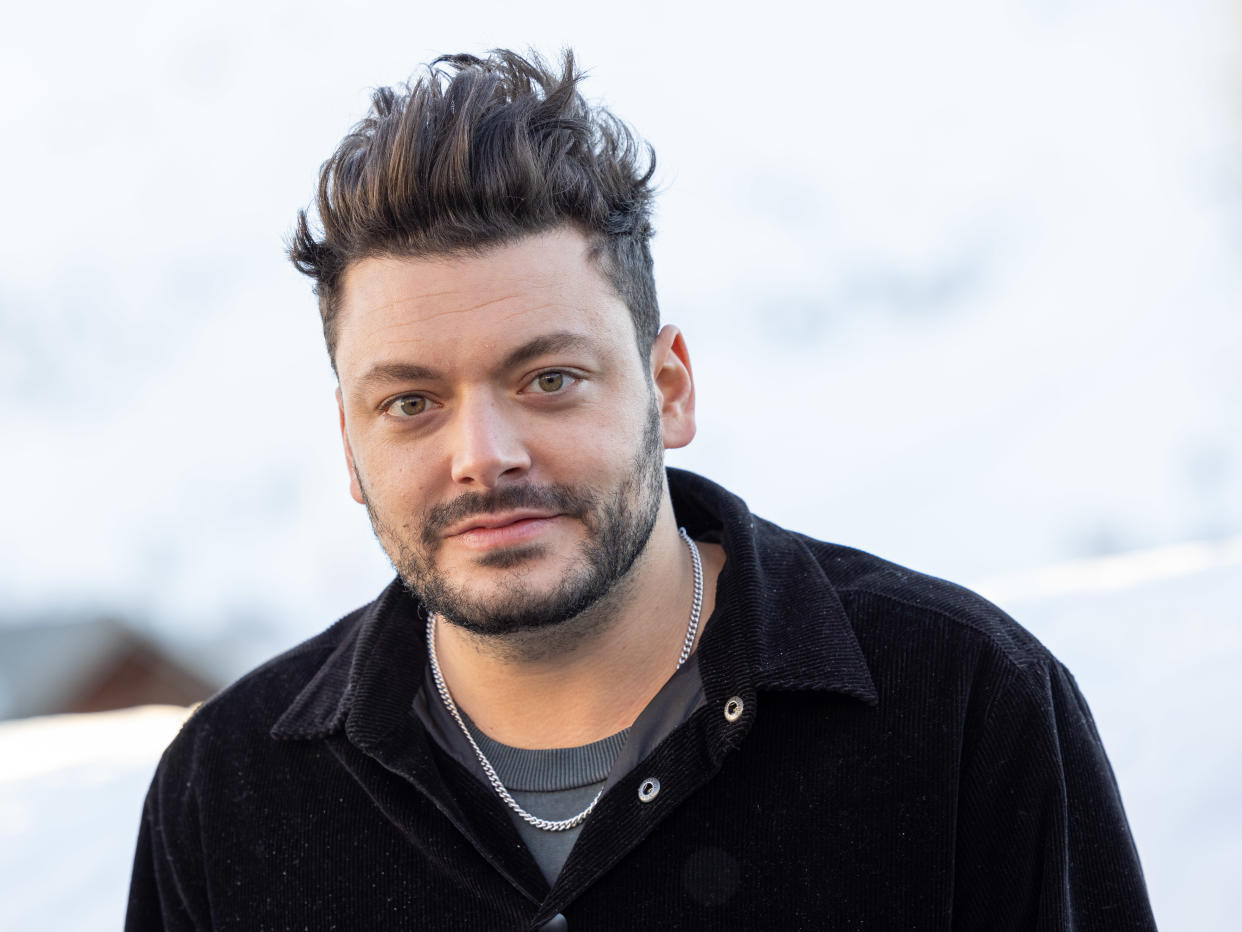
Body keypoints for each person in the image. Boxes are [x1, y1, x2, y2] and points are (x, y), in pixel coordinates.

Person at [125, 49, 1156, 931]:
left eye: (550, 380)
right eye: (410, 402)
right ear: (349, 445)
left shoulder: (968, 704)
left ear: (669, 387)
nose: (483, 454)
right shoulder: (227, 796)